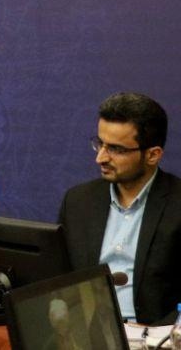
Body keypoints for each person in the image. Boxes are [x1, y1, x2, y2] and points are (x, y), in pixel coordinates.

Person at [59, 92, 181, 325]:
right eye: (100, 144)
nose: (101, 158)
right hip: (85, 331)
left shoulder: (177, 205)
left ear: (152, 155)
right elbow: (57, 280)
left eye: (116, 149)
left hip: (154, 334)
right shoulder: (77, 201)